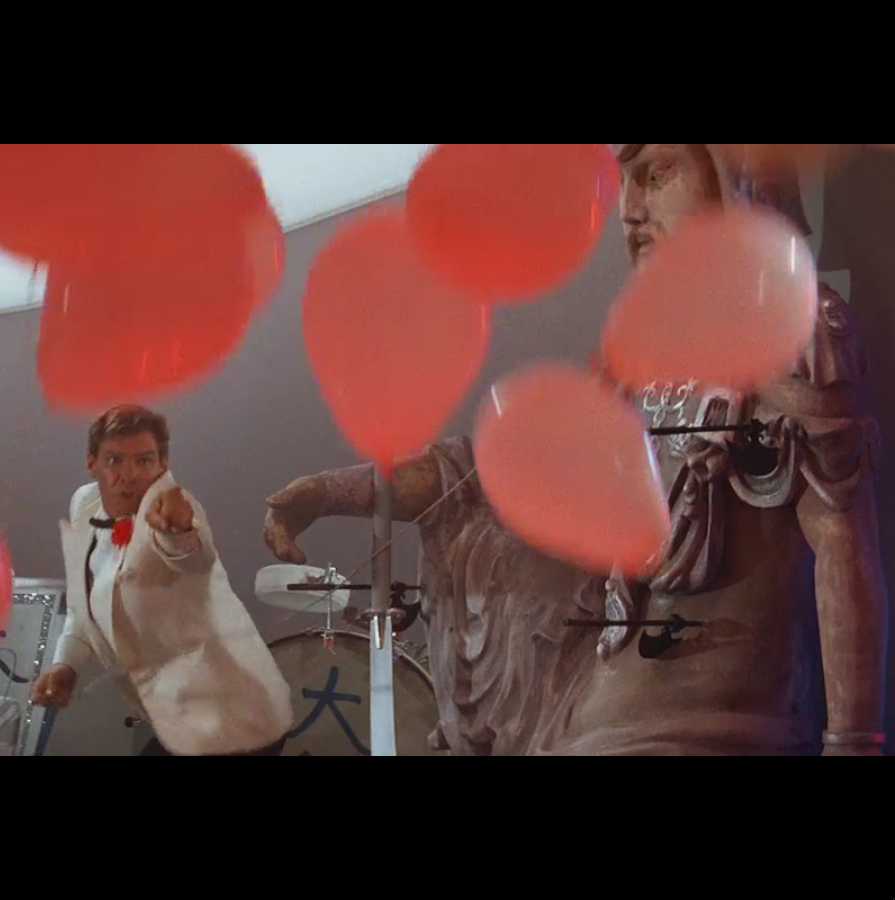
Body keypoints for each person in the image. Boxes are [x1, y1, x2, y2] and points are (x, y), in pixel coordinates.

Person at [265, 143, 888, 756]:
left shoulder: (791, 329)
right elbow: (480, 480)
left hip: (708, 729)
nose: (630, 210)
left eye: (657, 174)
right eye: (623, 182)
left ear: (733, 176)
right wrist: (327, 494)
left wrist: (854, 744)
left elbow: (843, 541)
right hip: (586, 718)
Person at [31, 404, 293, 756]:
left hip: (236, 718)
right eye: (114, 460)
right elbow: (86, 605)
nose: (129, 475)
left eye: (143, 461)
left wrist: (178, 532)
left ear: (162, 464)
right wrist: (66, 664)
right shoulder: (85, 504)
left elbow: (196, 559)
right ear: (91, 463)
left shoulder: (177, 508)